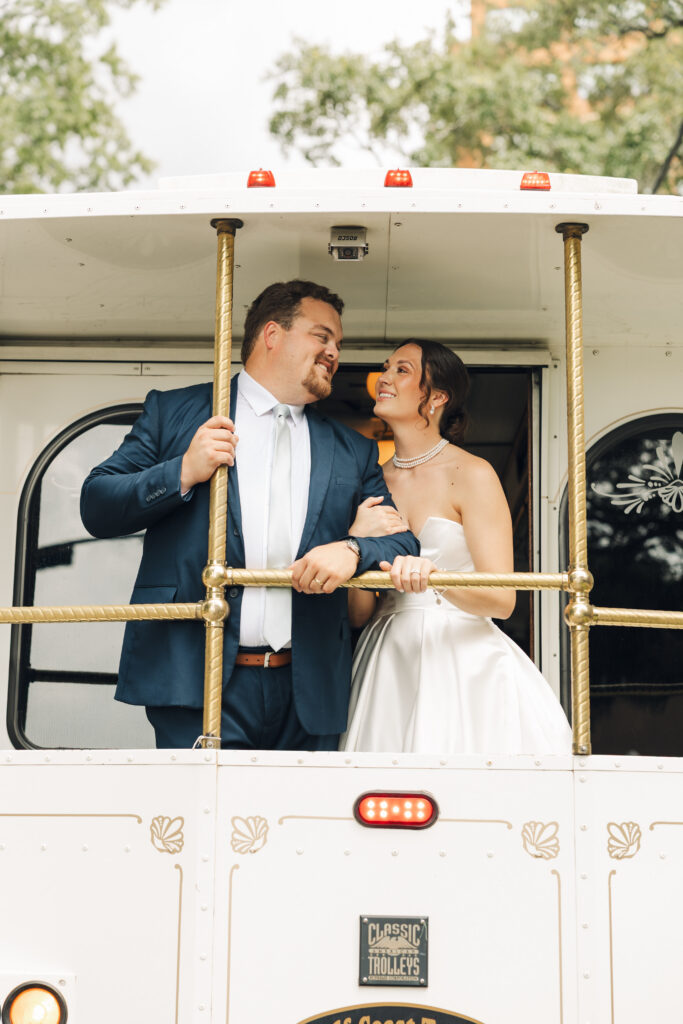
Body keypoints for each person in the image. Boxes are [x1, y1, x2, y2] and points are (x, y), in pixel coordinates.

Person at [80, 280, 418, 751]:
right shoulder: (175, 412)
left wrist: (353, 548)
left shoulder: (353, 450)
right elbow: (96, 504)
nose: (334, 352)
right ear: (272, 335)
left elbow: (403, 542)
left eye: (338, 343)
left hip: (309, 687)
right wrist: (183, 470)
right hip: (193, 678)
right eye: (322, 336)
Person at [342, 339, 572, 755]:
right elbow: (359, 613)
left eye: (402, 370)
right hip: (386, 656)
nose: (384, 379)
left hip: (461, 660)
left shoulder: (472, 473)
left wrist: (436, 581)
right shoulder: (371, 480)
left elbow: (502, 601)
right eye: (386, 367)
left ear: (437, 397)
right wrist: (355, 545)